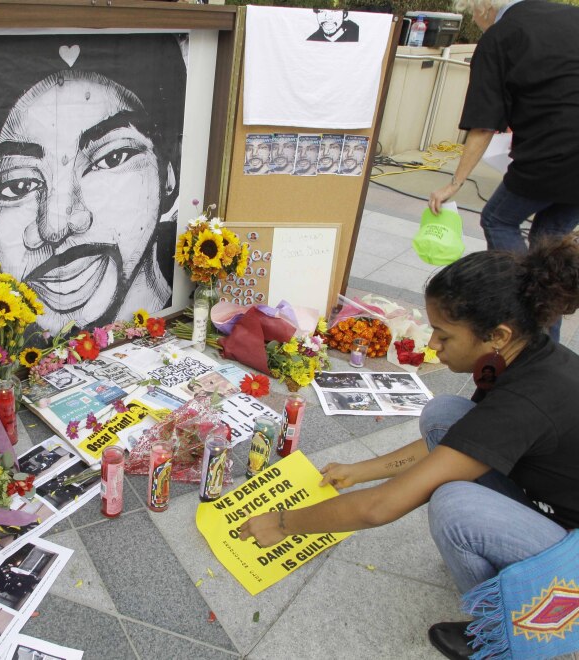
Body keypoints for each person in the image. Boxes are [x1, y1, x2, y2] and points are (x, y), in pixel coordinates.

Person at [238, 236, 579, 659]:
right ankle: (509, 565)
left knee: (456, 506)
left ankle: (507, 629)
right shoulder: (516, 357)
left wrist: (284, 523)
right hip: (554, 508)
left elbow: (380, 508)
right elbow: (464, 441)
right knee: (444, 414)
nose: (431, 346)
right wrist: (360, 469)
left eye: (443, 335)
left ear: (497, 334)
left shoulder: (528, 397)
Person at [0, 33, 186, 336]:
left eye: (112, 158)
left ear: (168, 172)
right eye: (18, 186)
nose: (55, 227)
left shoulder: (189, 289)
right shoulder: (0, 345)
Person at [428, 0, 579, 342]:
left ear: (483, 8)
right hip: (564, 155)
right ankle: (545, 342)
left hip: (553, 150)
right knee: (549, 244)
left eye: (473, 15)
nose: (476, 22)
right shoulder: (570, 16)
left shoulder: (500, 35)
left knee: (498, 218)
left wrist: (455, 183)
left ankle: (526, 310)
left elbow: (483, 124)